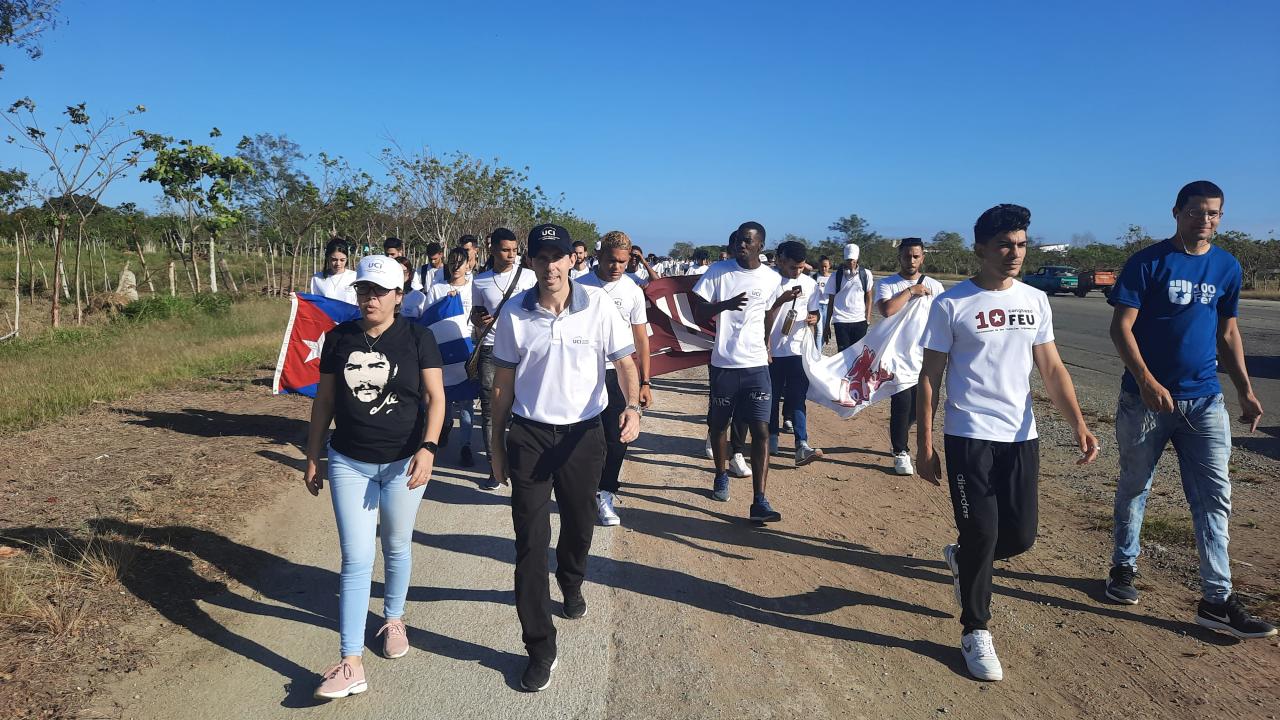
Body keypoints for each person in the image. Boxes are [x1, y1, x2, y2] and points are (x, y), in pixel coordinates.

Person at [917, 203, 1099, 682]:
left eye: (1020, 244)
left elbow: (1052, 368)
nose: (1014, 253)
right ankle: (975, 629)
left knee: (1019, 537)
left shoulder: (1035, 300)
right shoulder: (950, 304)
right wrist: (925, 443)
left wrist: (1078, 423)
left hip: (1021, 436)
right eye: (1003, 245)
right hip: (968, 435)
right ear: (980, 249)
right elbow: (930, 377)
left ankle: (963, 560)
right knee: (981, 532)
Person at [1103, 181, 1274, 638]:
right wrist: (1147, 380)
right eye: (1196, 212)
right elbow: (1122, 328)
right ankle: (1123, 568)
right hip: (1144, 401)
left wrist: (1245, 389)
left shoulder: (1226, 266)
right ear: (1177, 212)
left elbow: (1229, 333)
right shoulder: (1148, 262)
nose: (1205, 220)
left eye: (1214, 213)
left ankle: (1216, 599)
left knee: (1215, 498)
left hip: (1205, 402)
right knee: (1136, 485)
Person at [489, 223, 642, 692]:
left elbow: (626, 363)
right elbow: (502, 386)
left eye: (558, 257)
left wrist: (633, 407)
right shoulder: (515, 314)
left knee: (579, 525)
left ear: (571, 261)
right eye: (540, 257)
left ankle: (572, 580)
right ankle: (539, 644)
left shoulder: (598, 306)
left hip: (583, 435)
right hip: (530, 436)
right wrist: (496, 446)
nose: (550, 266)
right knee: (530, 543)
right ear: (529, 262)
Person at [302, 255, 446, 700]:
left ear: (398, 296)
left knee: (397, 544)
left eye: (380, 291)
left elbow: (436, 398)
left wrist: (429, 448)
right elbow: (324, 401)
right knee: (356, 557)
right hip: (348, 460)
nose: (370, 298)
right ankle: (350, 661)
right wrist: (313, 455)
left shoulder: (418, 337)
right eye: (364, 290)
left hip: (404, 461)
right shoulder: (338, 338)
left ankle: (393, 617)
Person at [692, 222, 784, 523]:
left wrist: (768, 345)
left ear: (761, 246)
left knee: (761, 430)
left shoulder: (772, 278)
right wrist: (726, 305)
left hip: (757, 365)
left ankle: (760, 500)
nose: (741, 245)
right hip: (724, 365)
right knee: (719, 425)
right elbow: (697, 311)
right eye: (738, 241)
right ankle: (721, 474)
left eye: (747, 241)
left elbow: (769, 314)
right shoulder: (718, 272)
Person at [576, 230, 654, 526]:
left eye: (623, 262)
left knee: (618, 436)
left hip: (618, 374)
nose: (617, 267)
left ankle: (605, 492)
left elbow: (641, 338)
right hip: (583, 373)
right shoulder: (577, 285)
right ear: (599, 256)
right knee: (583, 435)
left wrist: (645, 382)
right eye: (611, 261)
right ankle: (580, 488)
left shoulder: (633, 290)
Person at [472, 228, 537, 490]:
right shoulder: (480, 281)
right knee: (491, 410)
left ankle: (525, 462)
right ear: (492, 250)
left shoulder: (531, 277)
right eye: (505, 250)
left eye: (514, 250)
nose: (511, 255)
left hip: (525, 350)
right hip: (491, 349)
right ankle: (494, 465)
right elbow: (476, 317)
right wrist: (478, 319)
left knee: (525, 408)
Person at [875, 238, 945, 475]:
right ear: (900, 257)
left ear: (923, 257)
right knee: (902, 405)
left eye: (916, 256)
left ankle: (900, 432)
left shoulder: (936, 286)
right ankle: (900, 452)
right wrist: (911, 291)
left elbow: (943, 320)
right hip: (897, 358)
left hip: (926, 357)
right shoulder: (887, 284)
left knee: (921, 407)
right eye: (907, 256)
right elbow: (887, 310)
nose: (911, 260)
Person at [767, 240, 823, 466]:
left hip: (798, 349)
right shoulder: (768, 280)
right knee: (771, 397)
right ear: (780, 259)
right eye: (792, 267)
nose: (797, 272)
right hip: (771, 350)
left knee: (797, 397)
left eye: (801, 267)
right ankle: (771, 436)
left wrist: (814, 319)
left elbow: (815, 312)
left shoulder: (809, 284)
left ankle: (802, 444)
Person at [424, 247, 479, 468]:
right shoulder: (437, 289)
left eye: (461, 262)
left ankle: (466, 445)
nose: (456, 266)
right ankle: (444, 425)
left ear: (469, 265)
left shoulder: (475, 287)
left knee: (466, 399)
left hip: (467, 350)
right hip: (443, 351)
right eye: (452, 262)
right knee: (443, 394)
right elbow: (427, 318)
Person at [824, 243, 874, 351]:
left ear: (857, 259)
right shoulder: (835, 277)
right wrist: (827, 324)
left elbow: (869, 297)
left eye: (853, 260)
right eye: (848, 260)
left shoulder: (866, 274)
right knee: (843, 353)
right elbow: (831, 301)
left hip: (860, 320)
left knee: (858, 353)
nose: (851, 262)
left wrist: (868, 319)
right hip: (841, 320)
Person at [310, 238, 358, 304]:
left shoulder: (355, 277)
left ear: (347, 259)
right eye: (334, 260)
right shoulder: (317, 278)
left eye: (342, 260)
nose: (338, 264)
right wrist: (297, 299)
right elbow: (314, 305)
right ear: (327, 258)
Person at [812, 256, 833, 348]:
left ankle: (820, 349)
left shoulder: (833, 278)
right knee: (819, 331)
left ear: (829, 266)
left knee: (826, 330)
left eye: (825, 266)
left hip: (829, 306)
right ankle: (818, 355)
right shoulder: (814, 277)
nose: (823, 268)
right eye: (821, 266)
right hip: (817, 306)